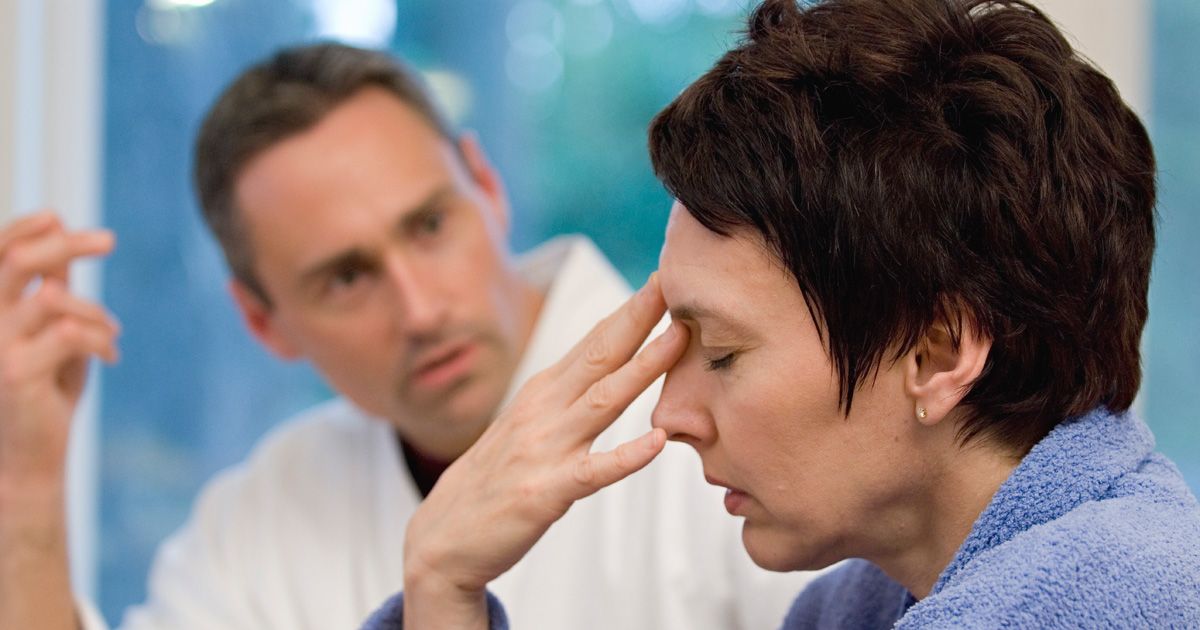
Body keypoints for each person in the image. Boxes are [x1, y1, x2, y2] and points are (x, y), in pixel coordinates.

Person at [361, 0, 1200, 627]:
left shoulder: (1111, 597)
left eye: (723, 353)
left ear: (939, 354)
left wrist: (444, 588)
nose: (671, 415)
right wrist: (442, 589)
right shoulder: (858, 607)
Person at [0, 44, 813, 630]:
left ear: (487, 187)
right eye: (347, 277)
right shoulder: (260, 519)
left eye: (428, 226)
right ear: (262, 322)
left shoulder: (733, 412)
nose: (421, 309)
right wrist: (27, 484)